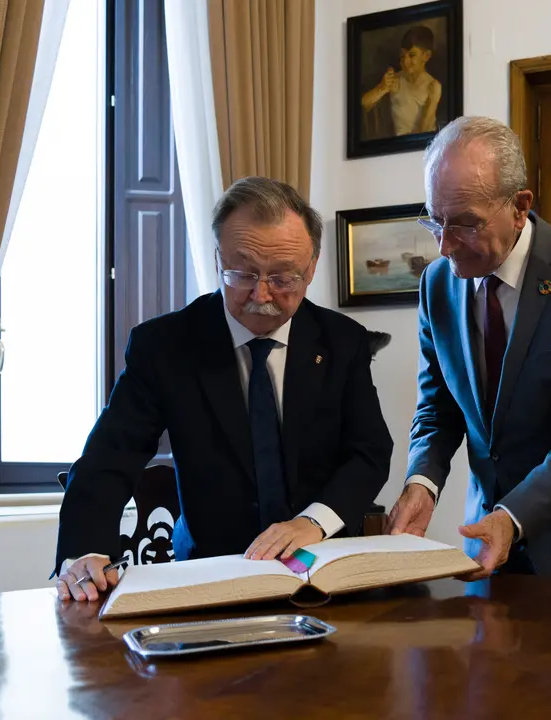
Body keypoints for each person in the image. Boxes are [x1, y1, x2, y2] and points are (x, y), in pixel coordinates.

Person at [55, 177, 394, 602]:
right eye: (243, 272)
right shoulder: (165, 346)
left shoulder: (342, 341)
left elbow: (369, 452)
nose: (261, 294)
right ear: (218, 259)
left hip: (317, 567)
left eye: (284, 277)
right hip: (208, 575)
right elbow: (111, 455)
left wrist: (313, 522)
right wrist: (85, 550)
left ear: (312, 266)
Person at [387, 116, 551, 583]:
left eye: (466, 224)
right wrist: (423, 483)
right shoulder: (436, 284)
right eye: (435, 220)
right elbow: (438, 409)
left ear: (519, 207)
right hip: (487, 536)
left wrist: (513, 517)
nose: (446, 246)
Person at [361, 25, 442, 138]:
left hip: (424, 144)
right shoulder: (397, 80)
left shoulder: (433, 86)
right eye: (403, 57)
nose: (406, 61)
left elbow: (424, 130)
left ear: (426, 56)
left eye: (412, 55)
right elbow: (364, 104)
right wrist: (382, 87)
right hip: (400, 145)